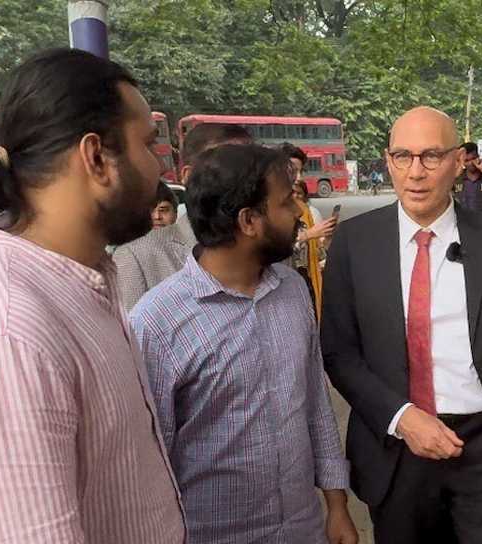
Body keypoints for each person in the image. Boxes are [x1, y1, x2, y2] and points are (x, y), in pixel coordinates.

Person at [0, 48, 184, 542]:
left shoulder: (78, 284)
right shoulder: (2, 338)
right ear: (96, 158)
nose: (160, 167)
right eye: (149, 144)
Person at [321, 106, 482, 543]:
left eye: (431, 156)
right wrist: (401, 417)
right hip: (396, 445)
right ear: (388, 160)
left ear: (457, 162)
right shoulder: (355, 243)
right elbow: (339, 353)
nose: (416, 172)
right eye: (403, 156)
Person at [130, 144, 357, 544]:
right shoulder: (158, 322)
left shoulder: (291, 291)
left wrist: (336, 506)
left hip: (302, 529)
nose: (297, 214)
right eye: (286, 202)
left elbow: (316, 406)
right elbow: (150, 463)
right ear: (249, 220)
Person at [112, 123, 251, 310]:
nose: (247, 181)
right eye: (229, 168)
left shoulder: (271, 252)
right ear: (189, 175)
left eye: (252, 169)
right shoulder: (137, 259)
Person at [281, 144, 336, 317]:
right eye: (292, 171)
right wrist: (308, 235)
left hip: (302, 283)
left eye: (301, 171)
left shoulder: (307, 212)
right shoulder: (266, 210)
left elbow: (319, 252)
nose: (298, 178)